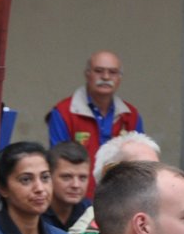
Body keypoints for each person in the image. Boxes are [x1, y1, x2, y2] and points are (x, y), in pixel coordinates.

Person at [45, 51, 144, 194]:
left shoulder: (131, 115)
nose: (105, 77)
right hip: (76, 199)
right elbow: (58, 163)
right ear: (87, 74)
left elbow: (139, 163)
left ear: (120, 78)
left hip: (119, 199)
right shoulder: (63, 112)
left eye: (113, 72)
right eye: (98, 71)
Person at [45, 141, 94, 234]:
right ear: (49, 176)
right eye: (66, 177)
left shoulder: (91, 214)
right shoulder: (34, 212)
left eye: (82, 178)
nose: (76, 185)